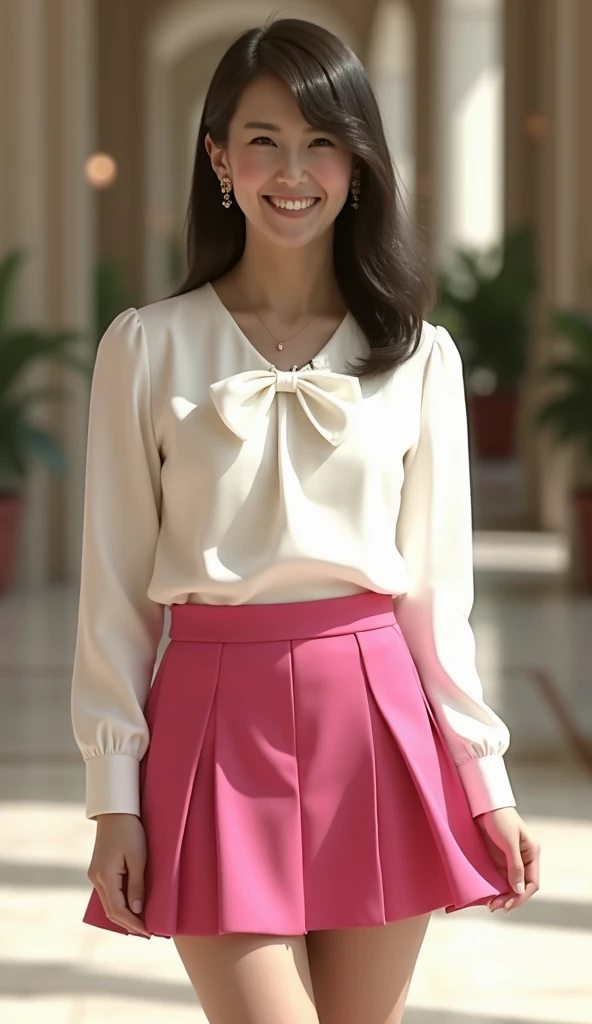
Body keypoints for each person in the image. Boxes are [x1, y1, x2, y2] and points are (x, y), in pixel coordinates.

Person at [71, 16, 540, 1024]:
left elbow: (434, 596)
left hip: (373, 719)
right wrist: (114, 791)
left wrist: (484, 777)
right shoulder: (144, 347)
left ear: (359, 162)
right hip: (208, 722)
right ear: (218, 161)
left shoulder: (423, 356)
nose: (295, 170)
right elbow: (111, 588)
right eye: (264, 140)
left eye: (322, 140)